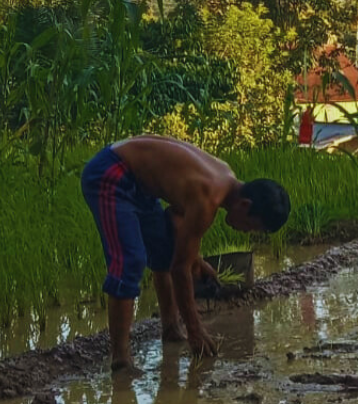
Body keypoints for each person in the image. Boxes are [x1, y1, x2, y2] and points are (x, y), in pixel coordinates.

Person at [81, 135, 291, 371]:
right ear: (245, 206)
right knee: (130, 262)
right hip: (112, 173)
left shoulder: (226, 179)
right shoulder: (208, 197)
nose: (245, 232)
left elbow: (175, 217)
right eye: (251, 227)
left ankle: (170, 328)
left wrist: (195, 258)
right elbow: (179, 270)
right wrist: (195, 330)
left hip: (140, 184)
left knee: (163, 250)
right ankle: (120, 359)